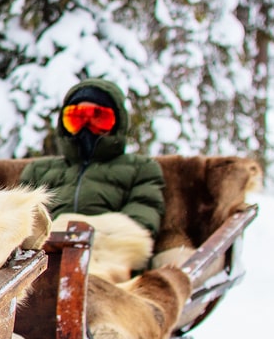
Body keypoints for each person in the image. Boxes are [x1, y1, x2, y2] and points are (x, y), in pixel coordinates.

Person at [20, 79, 165, 239]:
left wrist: (77, 231)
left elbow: (140, 225)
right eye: (76, 119)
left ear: (118, 123)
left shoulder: (141, 168)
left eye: (99, 118)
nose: (86, 128)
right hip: (48, 256)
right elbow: (22, 223)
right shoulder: (38, 171)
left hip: (109, 256)